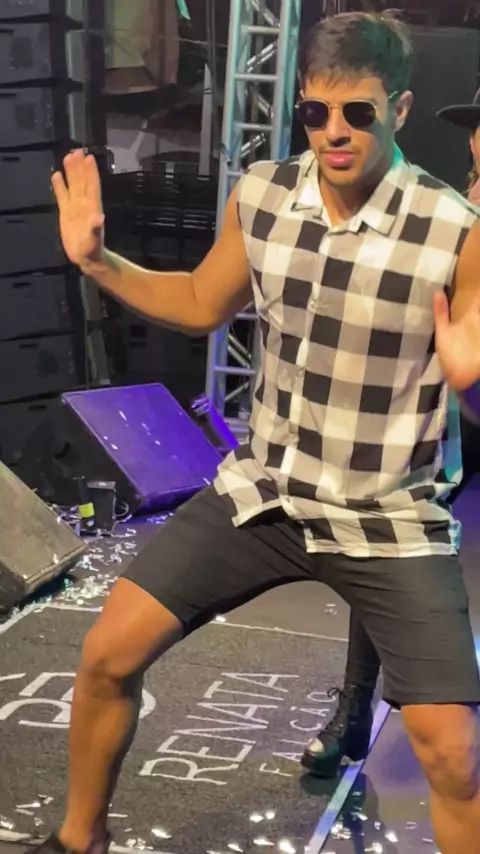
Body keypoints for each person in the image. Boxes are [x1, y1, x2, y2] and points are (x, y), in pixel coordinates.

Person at [35, 12, 480, 854]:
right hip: (265, 494)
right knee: (105, 655)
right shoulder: (263, 195)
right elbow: (202, 302)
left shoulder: (456, 229)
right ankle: (78, 839)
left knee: (452, 754)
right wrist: (98, 262)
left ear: (400, 109)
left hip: (388, 517)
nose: (335, 132)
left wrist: (470, 380)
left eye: (358, 113)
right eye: (316, 112)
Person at [304, 85, 480, 780]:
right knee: (384, 534)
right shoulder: (456, 210)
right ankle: (354, 709)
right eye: (477, 127)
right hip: (449, 406)